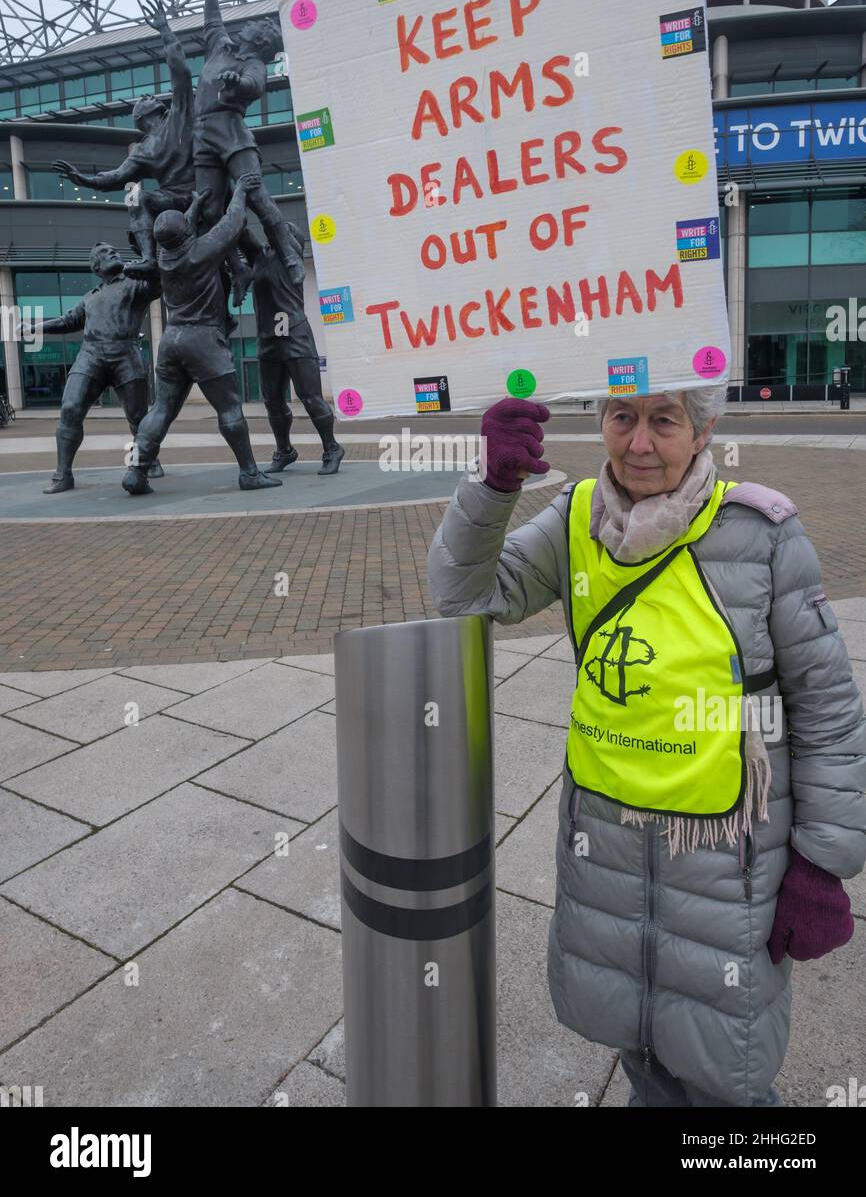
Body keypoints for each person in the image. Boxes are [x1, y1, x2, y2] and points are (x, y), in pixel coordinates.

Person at [427, 388, 866, 1107]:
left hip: (728, 855)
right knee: (638, 1037)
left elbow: (826, 709)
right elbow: (463, 594)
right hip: (606, 841)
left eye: (664, 421)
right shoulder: (574, 519)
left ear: (703, 431)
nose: (638, 444)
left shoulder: (763, 534)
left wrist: (824, 864)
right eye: (621, 418)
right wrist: (492, 486)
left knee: (725, 1063)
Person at [121, 171, 280, 495]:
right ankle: (249, 473)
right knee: (229, 408)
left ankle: (136, 473)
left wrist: (193, 206)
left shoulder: (164, 256)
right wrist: (241, 192)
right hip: (202, 339)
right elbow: (233, 223)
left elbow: (181, 231)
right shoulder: (203, 251)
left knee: (160, 410)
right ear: (185, 232)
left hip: (171, 341)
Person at [52, 0, 195, 273]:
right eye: (144, 98)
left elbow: (181, 72)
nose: (149, 96)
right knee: (133, 194)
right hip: (173, 198)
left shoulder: (179, 118)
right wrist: (83, 179)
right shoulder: (142, 150)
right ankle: (149, 258)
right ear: (141, 118)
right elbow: (117, 177)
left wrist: (165, 30)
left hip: (200, 190)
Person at [193, 0, 302, 282]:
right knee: (209, 210)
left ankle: (288, 254)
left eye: (254, 24)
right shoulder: (221, 47)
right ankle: (239, 264)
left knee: (255, 194)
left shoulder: (255, 63)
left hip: (231, 132)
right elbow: (212, 20)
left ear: (261, 38)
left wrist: (234, 82)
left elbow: (254, 86)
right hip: (202, 133)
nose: (247, 24)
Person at [39, 242, 163, 494]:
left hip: (125, 354)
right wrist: (34, 328)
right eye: (106, 253)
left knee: (138, 419)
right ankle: (63, 474)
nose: (114, 253)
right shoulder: (90, 297)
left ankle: (146, 463)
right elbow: (67, 321)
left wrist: (146, 254)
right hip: (91, 355)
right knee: (70, 408)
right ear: (96, 267)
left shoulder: (134, 283)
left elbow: (158, 282)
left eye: (114, 250)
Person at [234, 235, 345, 476]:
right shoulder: (260, 258)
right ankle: (284, 450)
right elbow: (240, 231)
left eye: (283, 231)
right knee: (272, 400)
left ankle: (332, 448)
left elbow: (273, 226)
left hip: (295, 335)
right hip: (268, 338)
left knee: (310, 397)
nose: (274, 233)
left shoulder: (291, 260)